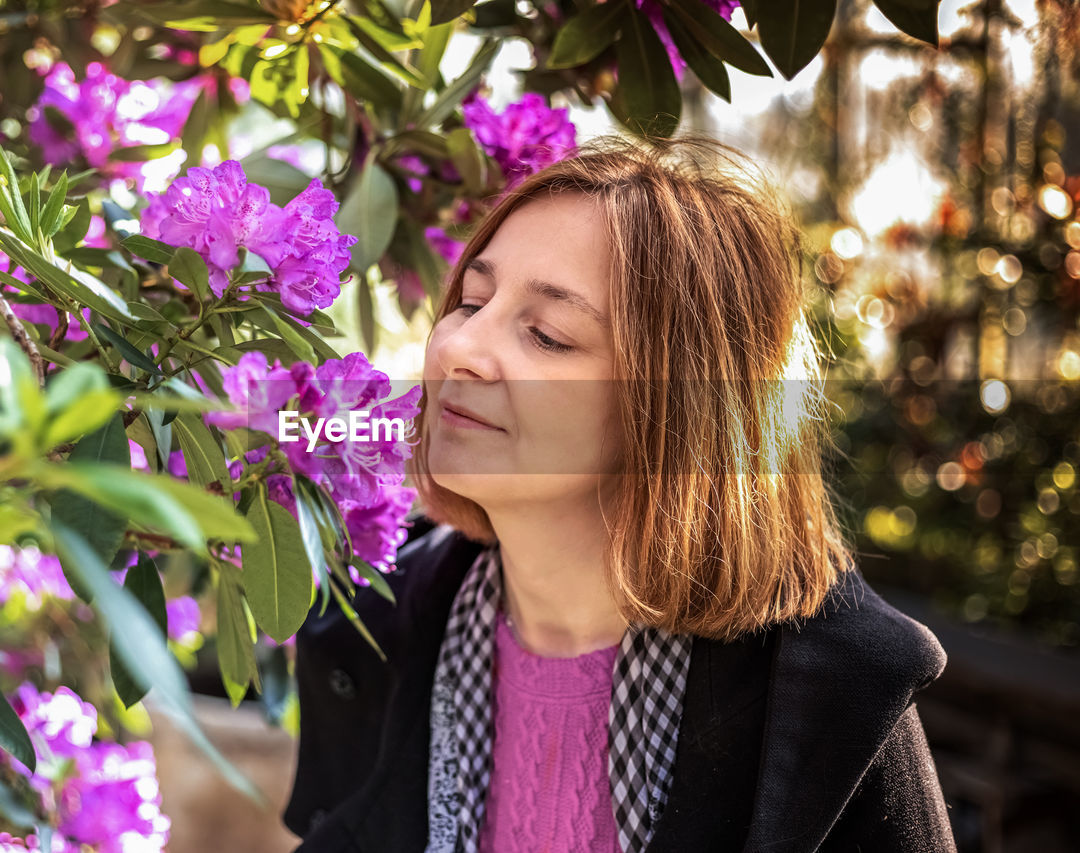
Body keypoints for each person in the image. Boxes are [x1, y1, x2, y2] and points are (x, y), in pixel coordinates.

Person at [282, 134, 958, 852]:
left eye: (546, 334)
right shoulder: (364, 631)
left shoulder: (832, 700)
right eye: (472, 300)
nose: (458, 349)